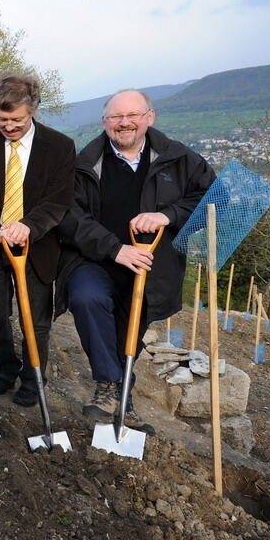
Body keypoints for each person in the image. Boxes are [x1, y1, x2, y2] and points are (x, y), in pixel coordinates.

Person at [56, 89, 215, 434]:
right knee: (87, 299)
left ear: (149, 118)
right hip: (94, 259)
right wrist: (115, 249)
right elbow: (70, 217)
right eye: (115, 117)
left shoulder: (181, 160)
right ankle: (113, 386)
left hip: (150, 266)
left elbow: (213, 199)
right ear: (104, 122)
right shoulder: (84, 164)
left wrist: (168, 215)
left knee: (129, 328)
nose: (124, 123)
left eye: (132, 116)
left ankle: (117, 390)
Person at [0, 75, 75, 406]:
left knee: (35, 319)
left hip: (36, 246)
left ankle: (33, 377)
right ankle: (6, 370)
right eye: (2, 119)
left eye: (16, 121)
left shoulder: (59, 146)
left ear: (33, 112)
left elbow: (58, 198)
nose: (8, 127)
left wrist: (28, 226)